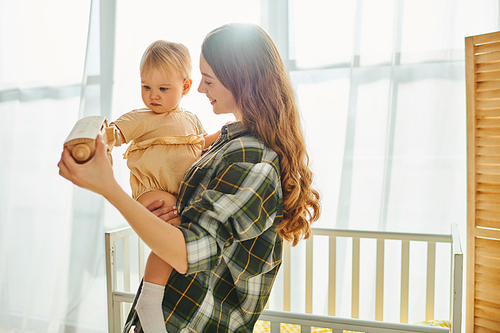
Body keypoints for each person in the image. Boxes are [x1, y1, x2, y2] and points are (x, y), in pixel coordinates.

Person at [58, 23, 320, 333]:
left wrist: (108, 188)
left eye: (207, 80)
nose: (198, 89)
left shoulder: (254, 161)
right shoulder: (228, 141)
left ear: (242, 80)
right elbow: (187, 223)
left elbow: (188, 252)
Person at [106, 40, 219, 332]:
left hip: (181, 195)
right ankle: (150, 298)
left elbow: (201, 144)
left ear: (185, 86)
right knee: (177, 232)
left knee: (189, 234)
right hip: (152, 192)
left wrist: (225, 133)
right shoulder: (141, 118)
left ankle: (163, 294)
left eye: (162, 89)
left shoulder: (191, 119)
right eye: (146, 87)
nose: (153, 96)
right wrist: (102, 138)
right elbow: (115, 133)